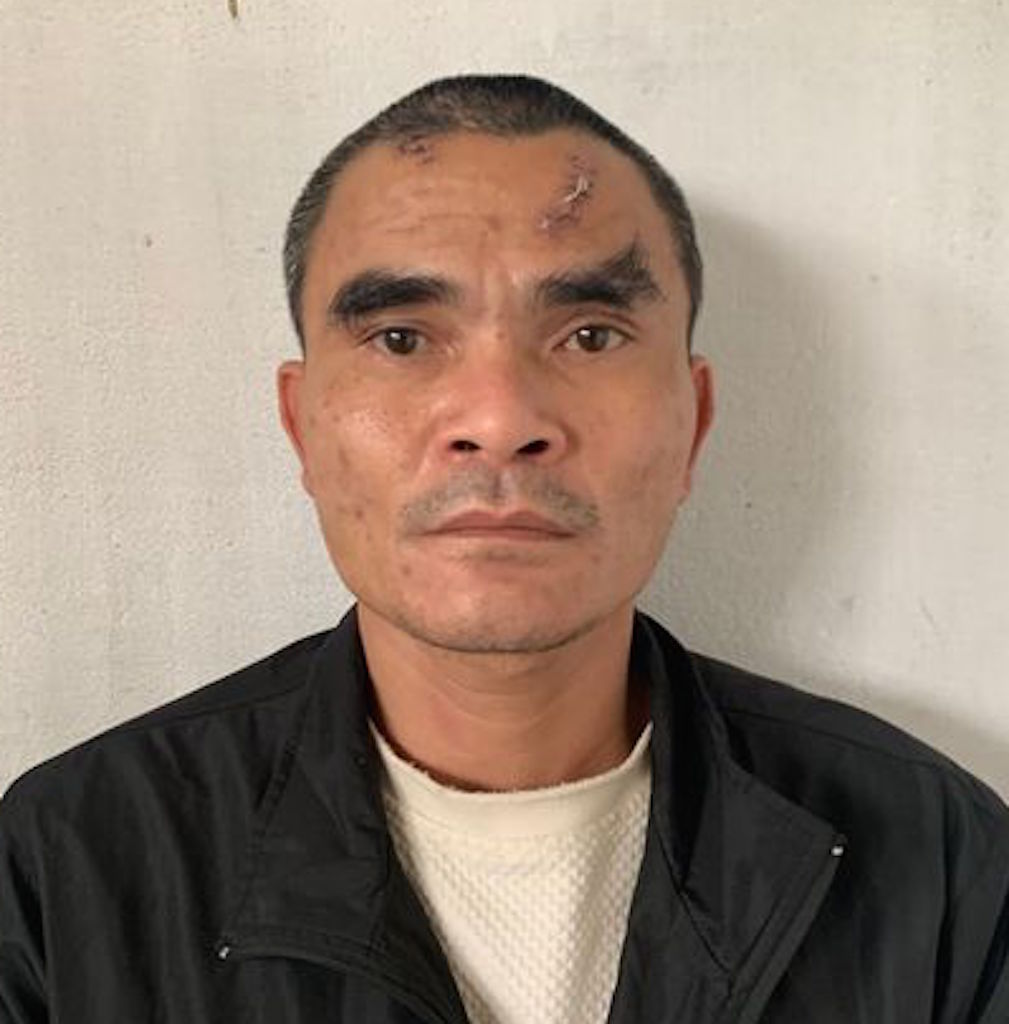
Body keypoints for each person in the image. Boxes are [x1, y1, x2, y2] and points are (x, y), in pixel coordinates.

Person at [1, 74, 1006, 1024]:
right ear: (301, 425)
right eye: (401, 337)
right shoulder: (67, 868)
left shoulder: (937, 860)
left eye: (590, 335)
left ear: (693, 424)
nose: (498, 420)